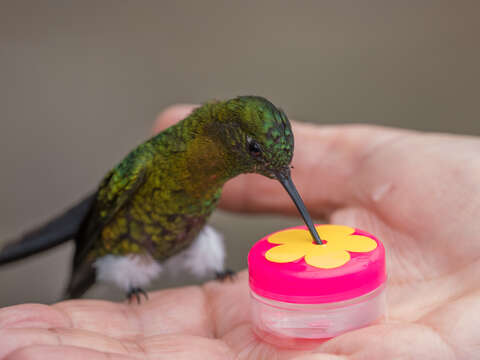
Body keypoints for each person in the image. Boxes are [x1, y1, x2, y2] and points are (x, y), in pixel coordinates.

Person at [0, 105, 478, 360]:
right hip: (125, 241)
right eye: (255, 152)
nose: (276, 174)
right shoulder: (154, 161)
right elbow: (96, 218)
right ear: (223, 133)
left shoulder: (213, 172)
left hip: (180, 235)